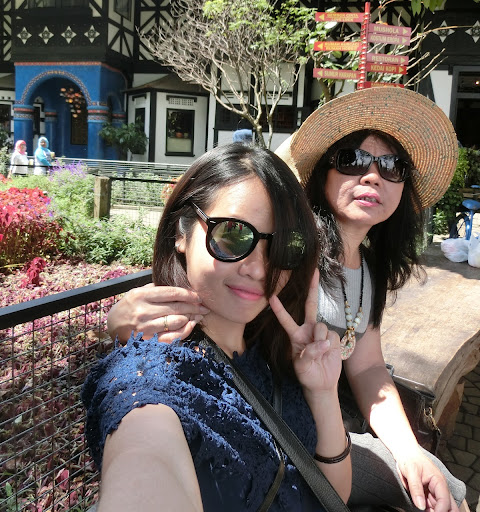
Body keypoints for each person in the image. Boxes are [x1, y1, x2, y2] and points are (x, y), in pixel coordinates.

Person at [107, 87, 467, 512]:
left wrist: (407, 449)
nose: (373, 176)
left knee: (442, 484)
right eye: (352, 160)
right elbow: (158, 409)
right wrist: (122, 324)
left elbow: (368, 364)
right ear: (322, 172)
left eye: (392, 166)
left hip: (319, 423)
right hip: (284, 429)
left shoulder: (366, 266)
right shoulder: (293, 256)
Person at [83, 142, 351, 512]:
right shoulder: (152, 375)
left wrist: (322, 392)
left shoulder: (276, 351)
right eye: (232, 235)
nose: (258, 269)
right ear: (181, 232)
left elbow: (335, 496)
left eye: (283, 246)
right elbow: (145, 453)